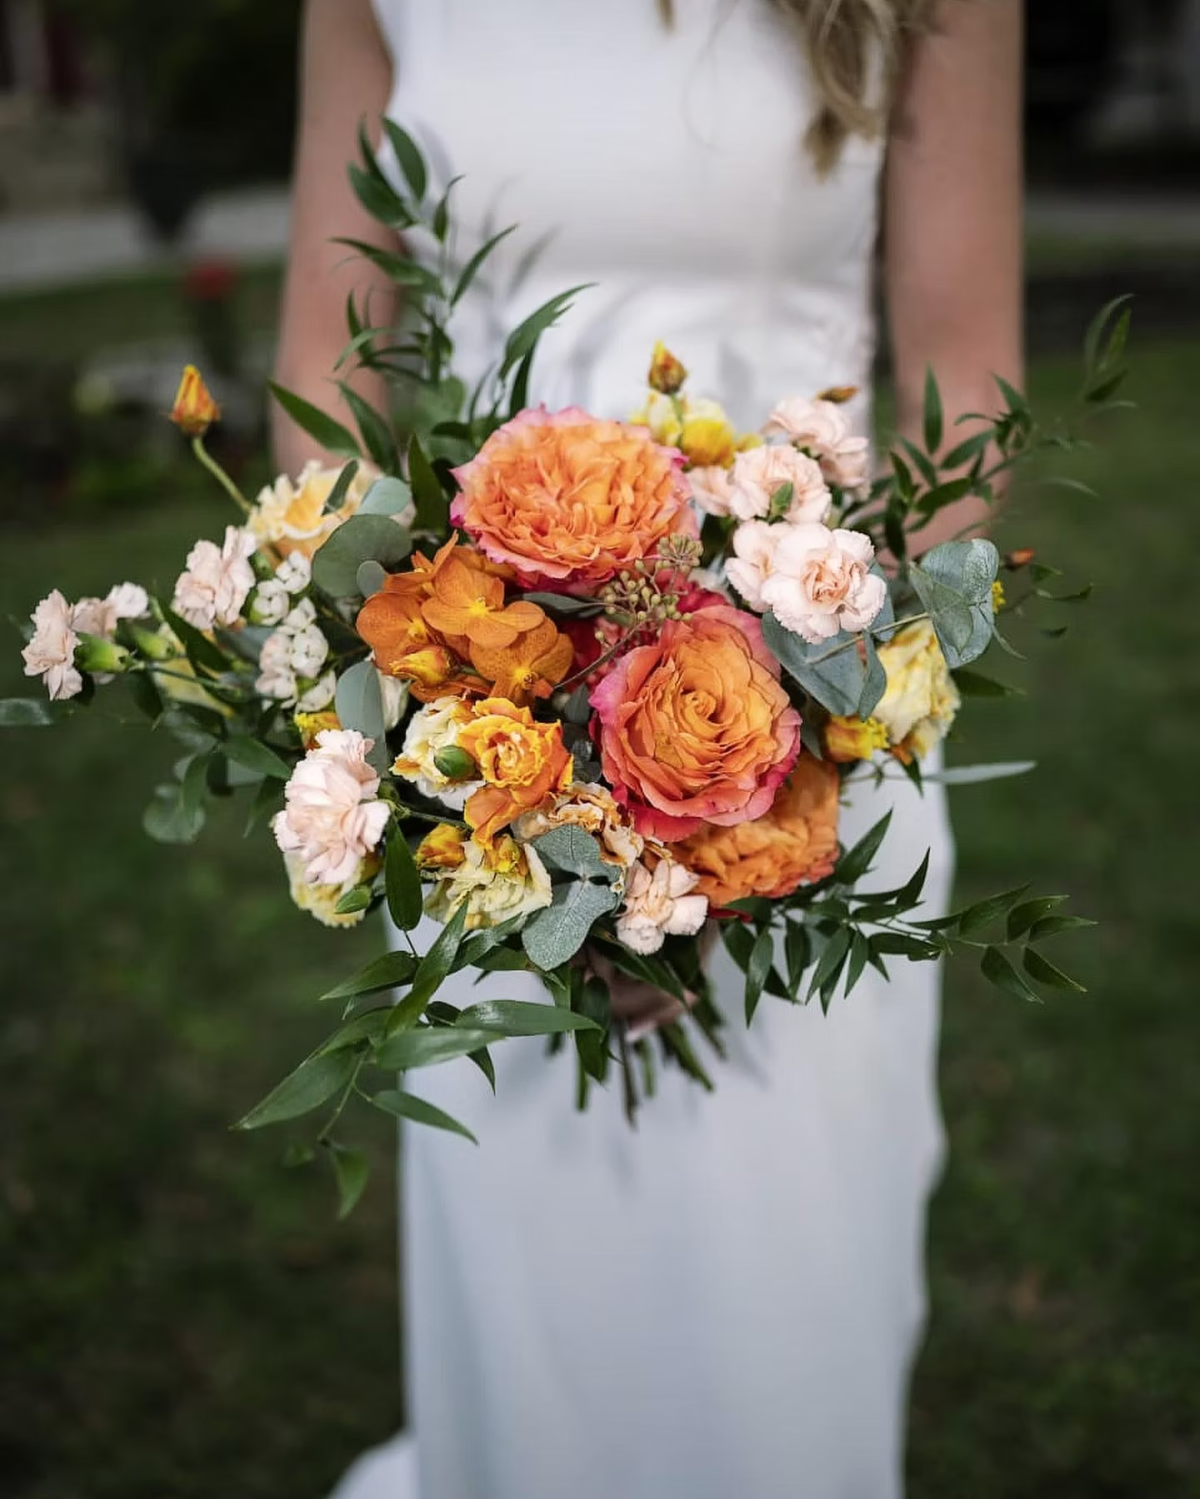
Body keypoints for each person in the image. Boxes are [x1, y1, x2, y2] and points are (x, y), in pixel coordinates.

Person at [273, 2, 1022, 1495]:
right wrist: (450, 720)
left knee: (782, 1342)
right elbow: (329, 374)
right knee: (544, 1339)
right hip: (490, 781)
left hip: (815, 769)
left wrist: (795, 724)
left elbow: (964, 378)